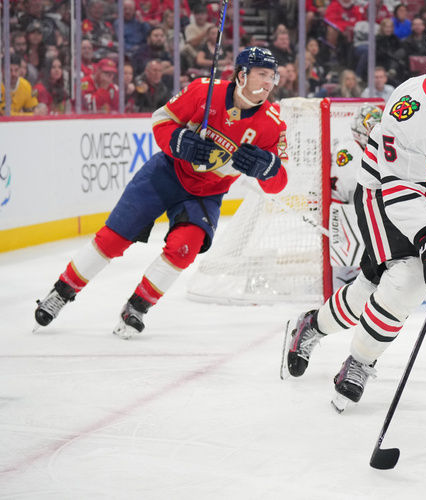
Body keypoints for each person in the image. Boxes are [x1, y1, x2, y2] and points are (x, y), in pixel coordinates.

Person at [281, 21, 426, 410]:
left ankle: (312, 325)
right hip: (383, 194)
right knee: (409, 277)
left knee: (373, 286)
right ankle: (358, 362)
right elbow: (400, 189)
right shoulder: (407, 110)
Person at [34, 47, 289, 338]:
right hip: (165, 173)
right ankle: (61, 292)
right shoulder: (203, 91)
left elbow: (280, 182)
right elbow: (161, 120)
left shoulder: (273, 124)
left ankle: (137, 307)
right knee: (112, 239)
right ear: (242, 75)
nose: (269, 82)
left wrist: (267, 168)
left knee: (184, 247)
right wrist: (179, 140)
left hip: (205, 194)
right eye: (262, 75)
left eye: (273, 76)